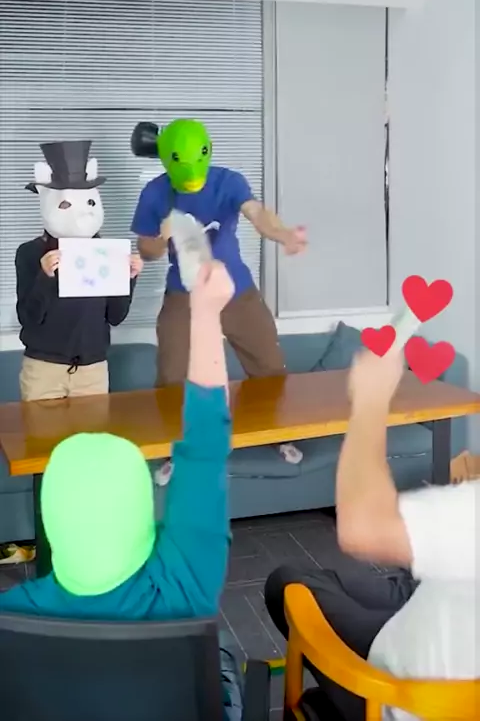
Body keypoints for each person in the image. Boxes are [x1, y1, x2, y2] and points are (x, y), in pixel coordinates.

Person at [0, 260, 243, 720]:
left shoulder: (13, 615)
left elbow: (206, 447)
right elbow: (206, 445)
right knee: (223, 651)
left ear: (53, 520)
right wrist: (207, 314)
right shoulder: (184, 584)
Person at [265, 349, 479, 720]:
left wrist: (370, 399)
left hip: (393, 697)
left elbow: (361, 527)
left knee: (287, 582)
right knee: (410, 576)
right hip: (440, 628)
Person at [131, 118, 308, 481]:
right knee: (173, 374)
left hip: (236, 290)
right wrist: (161, 237)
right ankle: (177, 449)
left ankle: (280, 435)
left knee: (268, 364)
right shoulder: (154, 193)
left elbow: (257, 214)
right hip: (184, 293)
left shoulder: (229, 181)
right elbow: (146, 251)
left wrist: (283, 233)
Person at [15, 140, 143, 402]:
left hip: (92, 371)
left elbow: (115, 316)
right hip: (44, 370)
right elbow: (28, 317)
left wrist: (129, 278)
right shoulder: (30, 253)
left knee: (91, 430)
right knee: (41, 429)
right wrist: (45, 277)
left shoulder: (105, 254)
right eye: (65, 204)